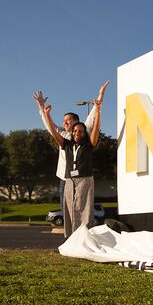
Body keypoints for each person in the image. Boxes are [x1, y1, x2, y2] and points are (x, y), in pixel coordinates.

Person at [33, 81, 109, 236]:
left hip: (83, 179)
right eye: (64, 121)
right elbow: (50, 127)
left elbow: (92, 118)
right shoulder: (63, 138)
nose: (65, 123)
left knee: (83, 210)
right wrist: (42, 109)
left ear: (76, 122)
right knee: (66, 210)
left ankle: (84, 236)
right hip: (65, 179)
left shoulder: (84, 136)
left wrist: (100, 98)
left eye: (68, 120)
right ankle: (70, 238)